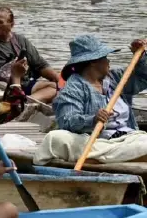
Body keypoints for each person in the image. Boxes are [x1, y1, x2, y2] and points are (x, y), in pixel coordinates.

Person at [33, 35, 147, 167]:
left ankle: (110, 157)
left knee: (141, 143)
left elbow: (143, 77)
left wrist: (140, 56)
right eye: (105, 57)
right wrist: (93, 119)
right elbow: (67, 121)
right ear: (93, 61)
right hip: (96, 142)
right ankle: (115, 157)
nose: (108, 61)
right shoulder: (72, 88)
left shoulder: (115, 78)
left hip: (128, 138)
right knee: (56, 138)